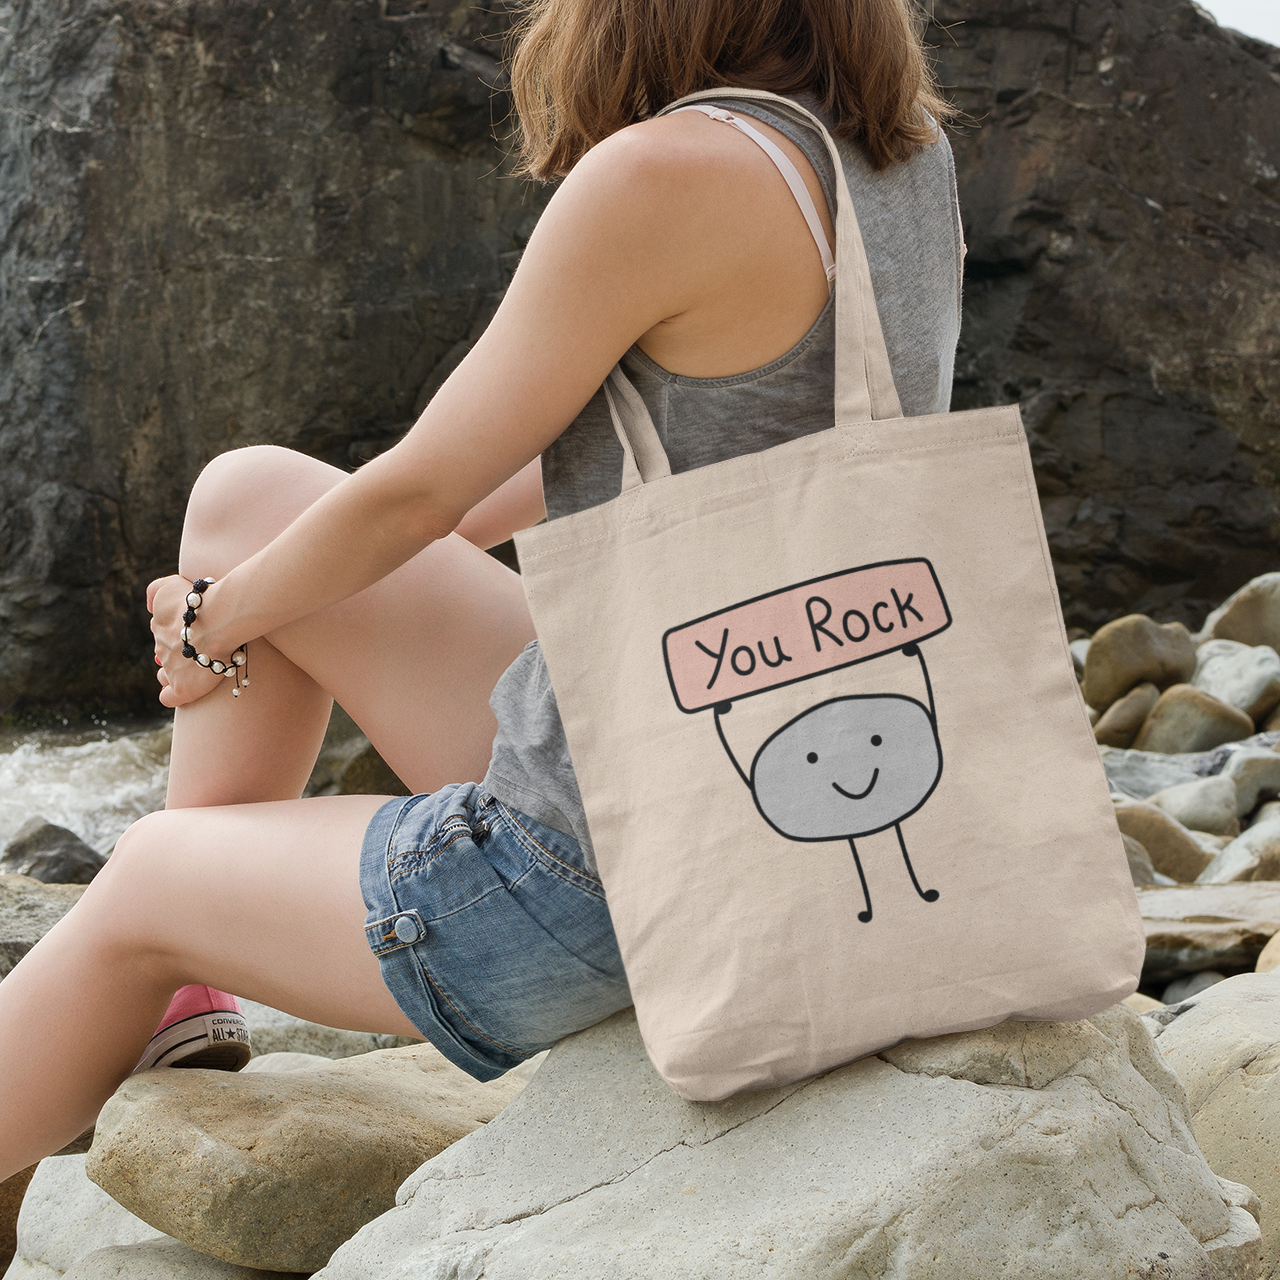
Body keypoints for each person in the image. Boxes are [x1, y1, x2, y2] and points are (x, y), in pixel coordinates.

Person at [0, 0, 961, 1180]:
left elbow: (412, 497)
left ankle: (164, 935)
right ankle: (187, 969)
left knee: (146, 865)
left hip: (624, 878)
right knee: (253, 496)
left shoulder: (659, 172)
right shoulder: (900, 155)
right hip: (785, 782)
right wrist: (269, 579)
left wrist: (214, 620)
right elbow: (622, 454)